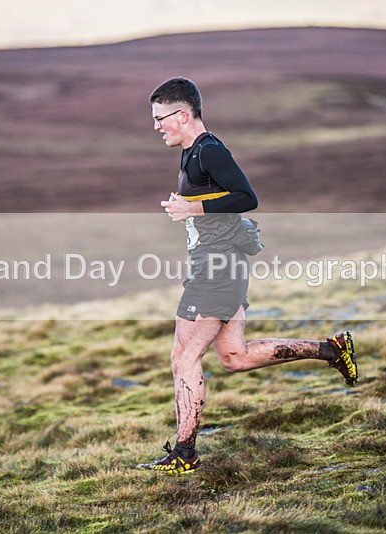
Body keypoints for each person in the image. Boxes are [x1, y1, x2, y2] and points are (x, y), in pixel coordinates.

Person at [137, 77, 358, 475]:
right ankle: (332, 350)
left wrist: (194, 212)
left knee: (183, 357)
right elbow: (216, 200)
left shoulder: (209, 151)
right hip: (222, 265)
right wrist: (187, 205)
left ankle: (185, 453)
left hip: (217, 270)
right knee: (234, 357)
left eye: (159, 118)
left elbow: (247, 197)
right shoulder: (190, 153)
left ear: (182, 115)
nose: (156, 126)